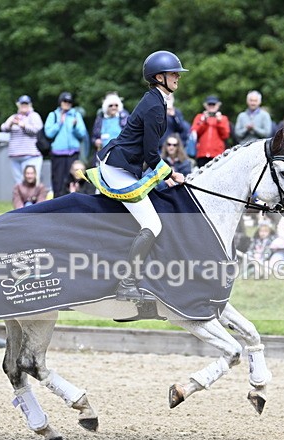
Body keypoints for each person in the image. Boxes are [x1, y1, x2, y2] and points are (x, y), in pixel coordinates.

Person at [94, 50, 187, 300]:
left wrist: (164, 174)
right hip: (119, 169)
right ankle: (126, 284)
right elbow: (151, 153)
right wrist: (172, 174)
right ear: (159, 77)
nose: (178, 77)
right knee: (152, 224)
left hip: (125, 164)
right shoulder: (155, 106)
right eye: (173, 74)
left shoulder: (156, 100)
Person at [45, 91, 89, 198]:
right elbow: (48, 133)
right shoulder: (53, 115)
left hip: (72, 153)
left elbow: (82, 133)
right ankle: (57, 204)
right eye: (65, 101)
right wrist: (59, 123)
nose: (67, 103)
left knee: (74, 179)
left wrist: (75, 126)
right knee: (58, 181)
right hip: (58, 154)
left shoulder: (76, 115)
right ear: (60, 102)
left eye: (69, 101)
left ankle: (74, 201)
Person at [1, 94, 44, 186]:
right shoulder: (14, 116)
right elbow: (3, 128)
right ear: (18, 105)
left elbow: (38, 130)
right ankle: (21, 200)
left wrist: (23, 125)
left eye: (26, 104)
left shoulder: (34, 116)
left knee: (32, 181)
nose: (24, 106)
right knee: (19, 183)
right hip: (15, 155)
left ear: (30, 105)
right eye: (22, 104)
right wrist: (11, 124)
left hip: (31, 155)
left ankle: (35, 200)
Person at [191, 95, 231, 168]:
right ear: (205, 105)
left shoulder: (223, 118)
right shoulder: (199, 117)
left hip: (217, 154)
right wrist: (204, 121)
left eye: (214, 104)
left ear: (218, 105)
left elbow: (225, 135)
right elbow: (195, 133)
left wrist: (219, 122)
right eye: (210, 104)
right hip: (202, 154)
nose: (211, 106)